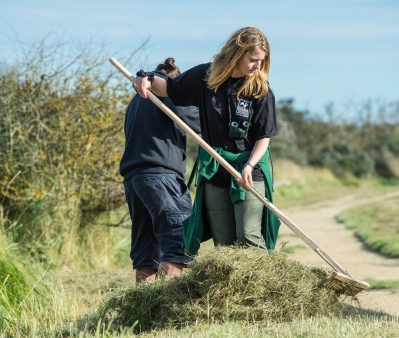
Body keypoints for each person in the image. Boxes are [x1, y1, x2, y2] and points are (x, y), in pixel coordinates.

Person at [133, 27, 280, 256]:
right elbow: (170, 89)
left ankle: (261, 290)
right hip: (214, 170)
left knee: (248, 237)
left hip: (249, 171)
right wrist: (146, 78)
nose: (257, 66)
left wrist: (250, 166)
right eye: (253, 60)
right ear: (236, 54)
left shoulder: (260, 90)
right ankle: (230, 292)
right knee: (224, 244)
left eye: (262, 61)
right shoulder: (205, 77)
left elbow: (264, 137)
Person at [120, 58, 200, 282]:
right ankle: (168, 309)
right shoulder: (168, 92)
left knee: (147, 253)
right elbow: (201, 122)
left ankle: (144, 312)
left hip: (134, 180)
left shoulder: (135, 101)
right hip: (161, 178)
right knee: (178, 241)